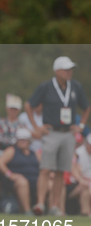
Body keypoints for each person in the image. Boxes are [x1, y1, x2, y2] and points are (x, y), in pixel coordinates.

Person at [24, 56, 90, 216]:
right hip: (51, 132)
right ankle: (40, 204)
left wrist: (80, 126)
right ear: (57, 71)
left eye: (70, 69)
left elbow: (86, 107)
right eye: (66, 70)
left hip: (68, 134)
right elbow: (29, 105)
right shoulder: (46, 86)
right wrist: (36, 127)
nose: (70, 72)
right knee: (46, 169)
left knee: (61, 171)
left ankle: (54, 206)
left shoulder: (75, 86)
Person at [0, 128, 40, 214]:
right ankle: (27, 211)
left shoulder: (35, 153)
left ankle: (44, 209)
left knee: (49, 183)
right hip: (15, 182)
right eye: (20, 140)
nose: (22, 142)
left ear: (29, 141)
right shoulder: (12, 150)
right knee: (22, 182)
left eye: (24, 140)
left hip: (34, 180)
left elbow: (43, 167)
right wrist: (10, 174)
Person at [71, 134, 91, 216]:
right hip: (77, 182)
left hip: (87, 182)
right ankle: (86, 212)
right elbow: (75, 170)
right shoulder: (78, 153)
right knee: (86, 189)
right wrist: (81, 180)